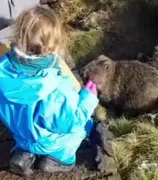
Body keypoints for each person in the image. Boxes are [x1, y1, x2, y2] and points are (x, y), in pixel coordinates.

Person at [0, 6, 99, 175]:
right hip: (51, 143)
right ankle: (58, 161)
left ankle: (23, 155)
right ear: (53, 47)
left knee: (27, 132)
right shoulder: (57, 88)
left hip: (22, 136)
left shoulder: (3, 71)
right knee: (84, 128)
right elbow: (69, 123)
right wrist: (88, 99)